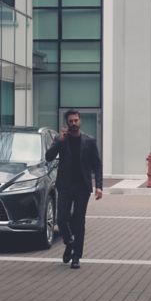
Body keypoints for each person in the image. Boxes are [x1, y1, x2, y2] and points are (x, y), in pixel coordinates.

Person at [45, 109, 102, 269]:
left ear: (80, 121)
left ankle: (76, 256)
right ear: (67, 123)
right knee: (62, 219)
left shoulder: (89, 141)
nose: (74, 124)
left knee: (79, 221)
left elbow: (97, 165)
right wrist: (58, 142)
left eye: (76, 120)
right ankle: (69, 242)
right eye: (71, 121)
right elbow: (48, 157)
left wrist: (99, 186)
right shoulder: (61, 140)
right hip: (65, 186)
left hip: (83, 187)